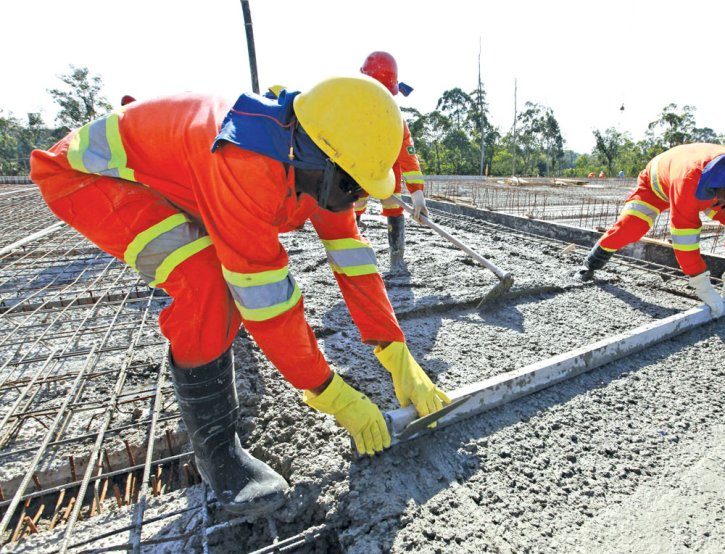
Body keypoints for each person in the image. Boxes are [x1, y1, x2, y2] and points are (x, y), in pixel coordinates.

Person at [30, 77, 450, 516]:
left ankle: (220, 443)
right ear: (318, 159)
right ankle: (218, 457)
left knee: (216, 277)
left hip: (177, 181)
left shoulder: (313, 162)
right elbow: (267, 304)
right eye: (352, 186)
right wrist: (333, 395)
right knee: (206, 283)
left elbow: (354, 262)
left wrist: (398, 354)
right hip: (92, 178)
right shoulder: (247, 162)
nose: (355, 198)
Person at [577, 143, 725, 314]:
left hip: (709, 190)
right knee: (631, 228)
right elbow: (685, 240)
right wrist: (702, 285)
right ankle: (590, 264)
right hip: (656, 187)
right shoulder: (688, 180)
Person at [356, 51, 427, 268]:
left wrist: (417, 194)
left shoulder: (396, 119)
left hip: (386, 170)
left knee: (393, 207)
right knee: (354, 207)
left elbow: (407, 155)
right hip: (356, 168)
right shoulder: (352, 111)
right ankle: (353, 257)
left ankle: (396, 260)